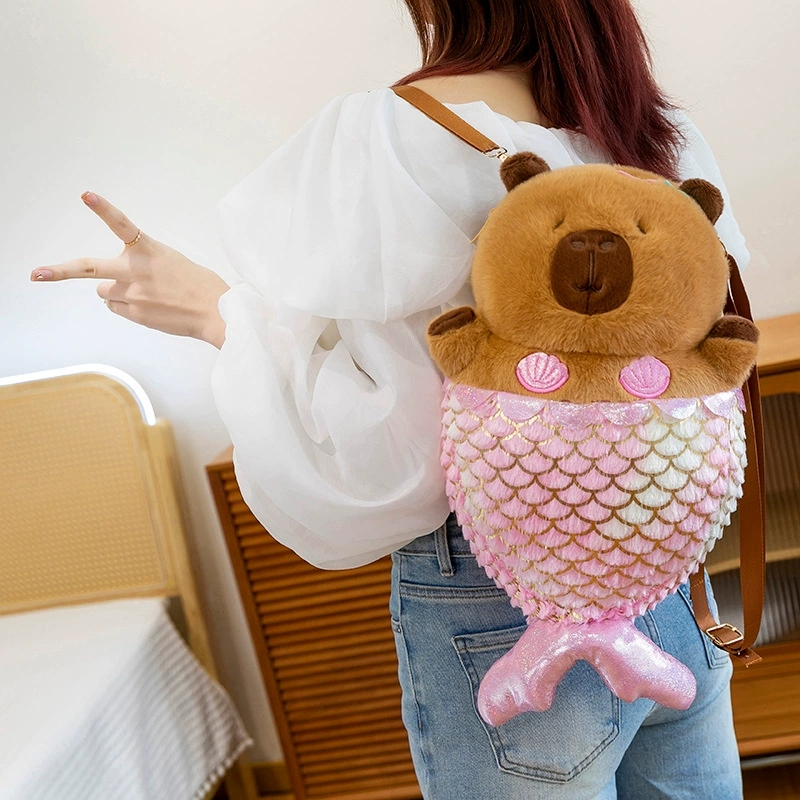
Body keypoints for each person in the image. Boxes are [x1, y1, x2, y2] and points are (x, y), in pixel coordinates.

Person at [32, 1, 749, 797]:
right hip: (665, 576)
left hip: (504, 591)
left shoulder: (397, 133)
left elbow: (394, 462)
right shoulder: (648, 130)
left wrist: (215, 313)